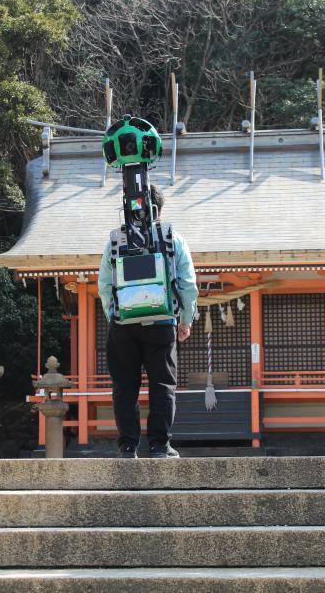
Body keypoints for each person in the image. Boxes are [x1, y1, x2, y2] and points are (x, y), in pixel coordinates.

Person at [98, 184, 198, 458]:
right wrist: (185, 320)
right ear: (158, 209)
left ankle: (128, 446)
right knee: (162, 385)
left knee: (125, 387)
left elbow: (104, 285)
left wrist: (114, 316)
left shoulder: (115, 240)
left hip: (123, 325)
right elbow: (188, 284)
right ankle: (159, 446)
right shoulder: (172, 238)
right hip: (162, 321)